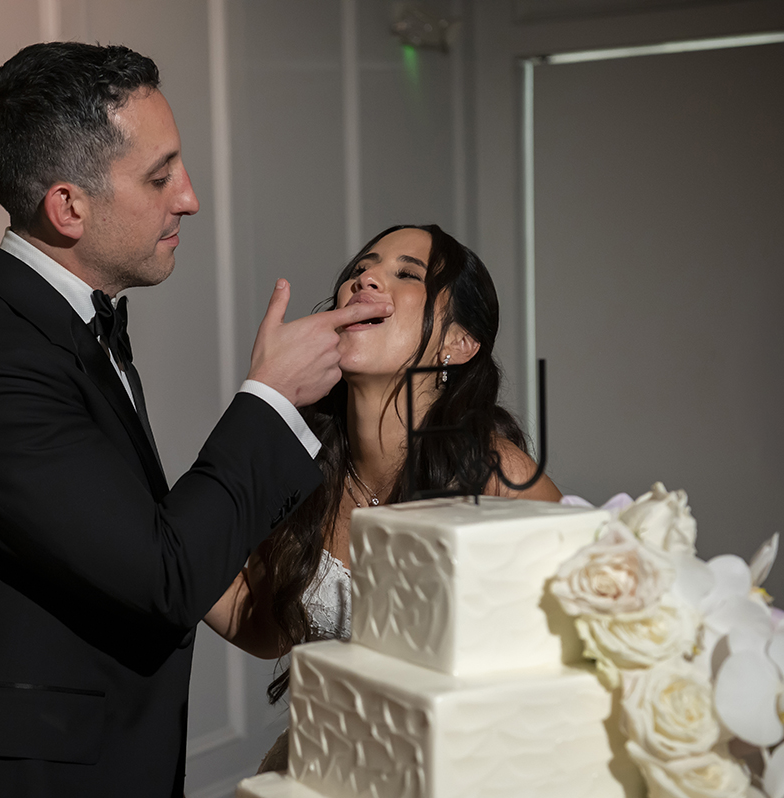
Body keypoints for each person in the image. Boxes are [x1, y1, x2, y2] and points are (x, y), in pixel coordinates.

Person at [0, 42, 391, 798]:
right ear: (68, 205)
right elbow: (163, 577)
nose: (190, 197)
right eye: (160, 174)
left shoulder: (61, 327)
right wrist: (269, 397)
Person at [203, 224, 561, 769]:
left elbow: (569, 653)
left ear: (457, 344)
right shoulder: (301, 465)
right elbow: (262, 625)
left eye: (406, 274)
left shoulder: (494, 476)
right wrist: (264, 392)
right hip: (320, 771)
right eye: (361, 268)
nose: (364, 277)